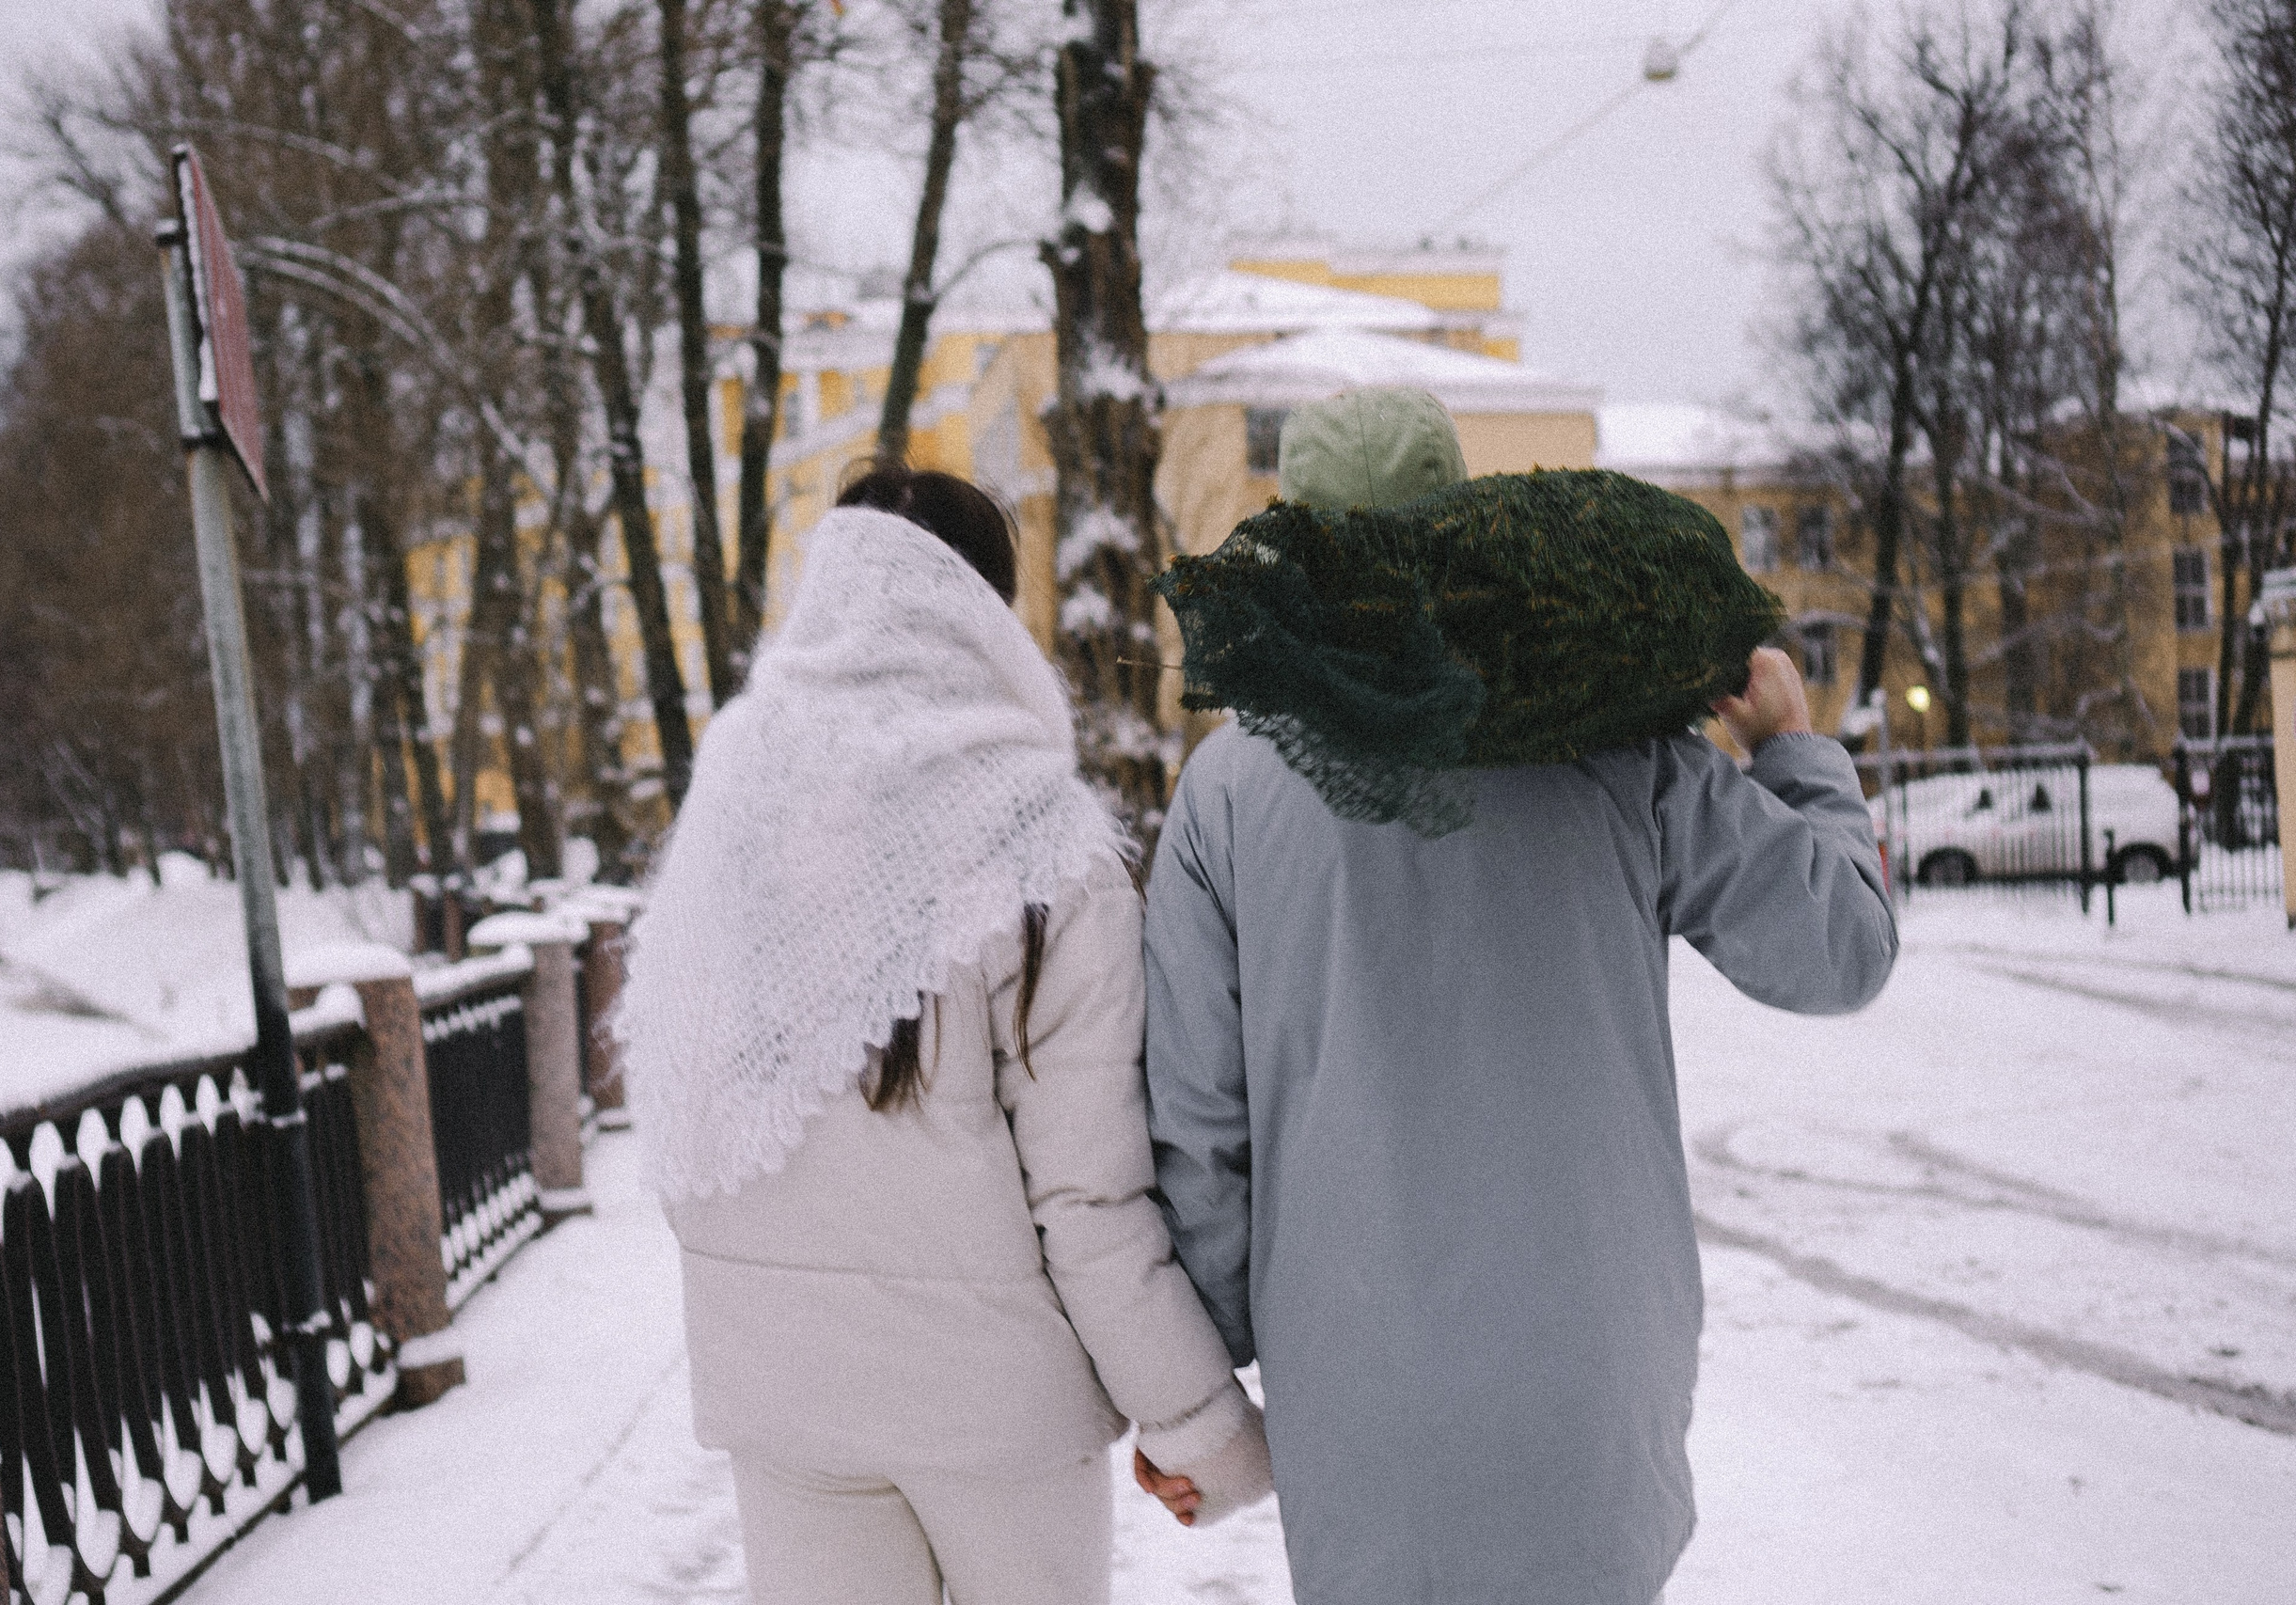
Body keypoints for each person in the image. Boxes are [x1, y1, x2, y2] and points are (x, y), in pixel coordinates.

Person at [1139, 390, 1900, 1601]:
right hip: (1593, 1379)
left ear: (1299, 544)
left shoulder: (1226, 791)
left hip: (1358, 1391)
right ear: (1467, 524)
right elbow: (1839, 950)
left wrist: (1220, 1379)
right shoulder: (1623, 755)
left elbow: (1196, 1130)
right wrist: (1795, 748)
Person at [615, 461, 1270, 1605]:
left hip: (787, 1403)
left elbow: (681, 1107)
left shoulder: (732, 809)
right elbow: (1087, 1198)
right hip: (994, 1414)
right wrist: (1198, 1425)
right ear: (986, 613)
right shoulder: (1044, 848)